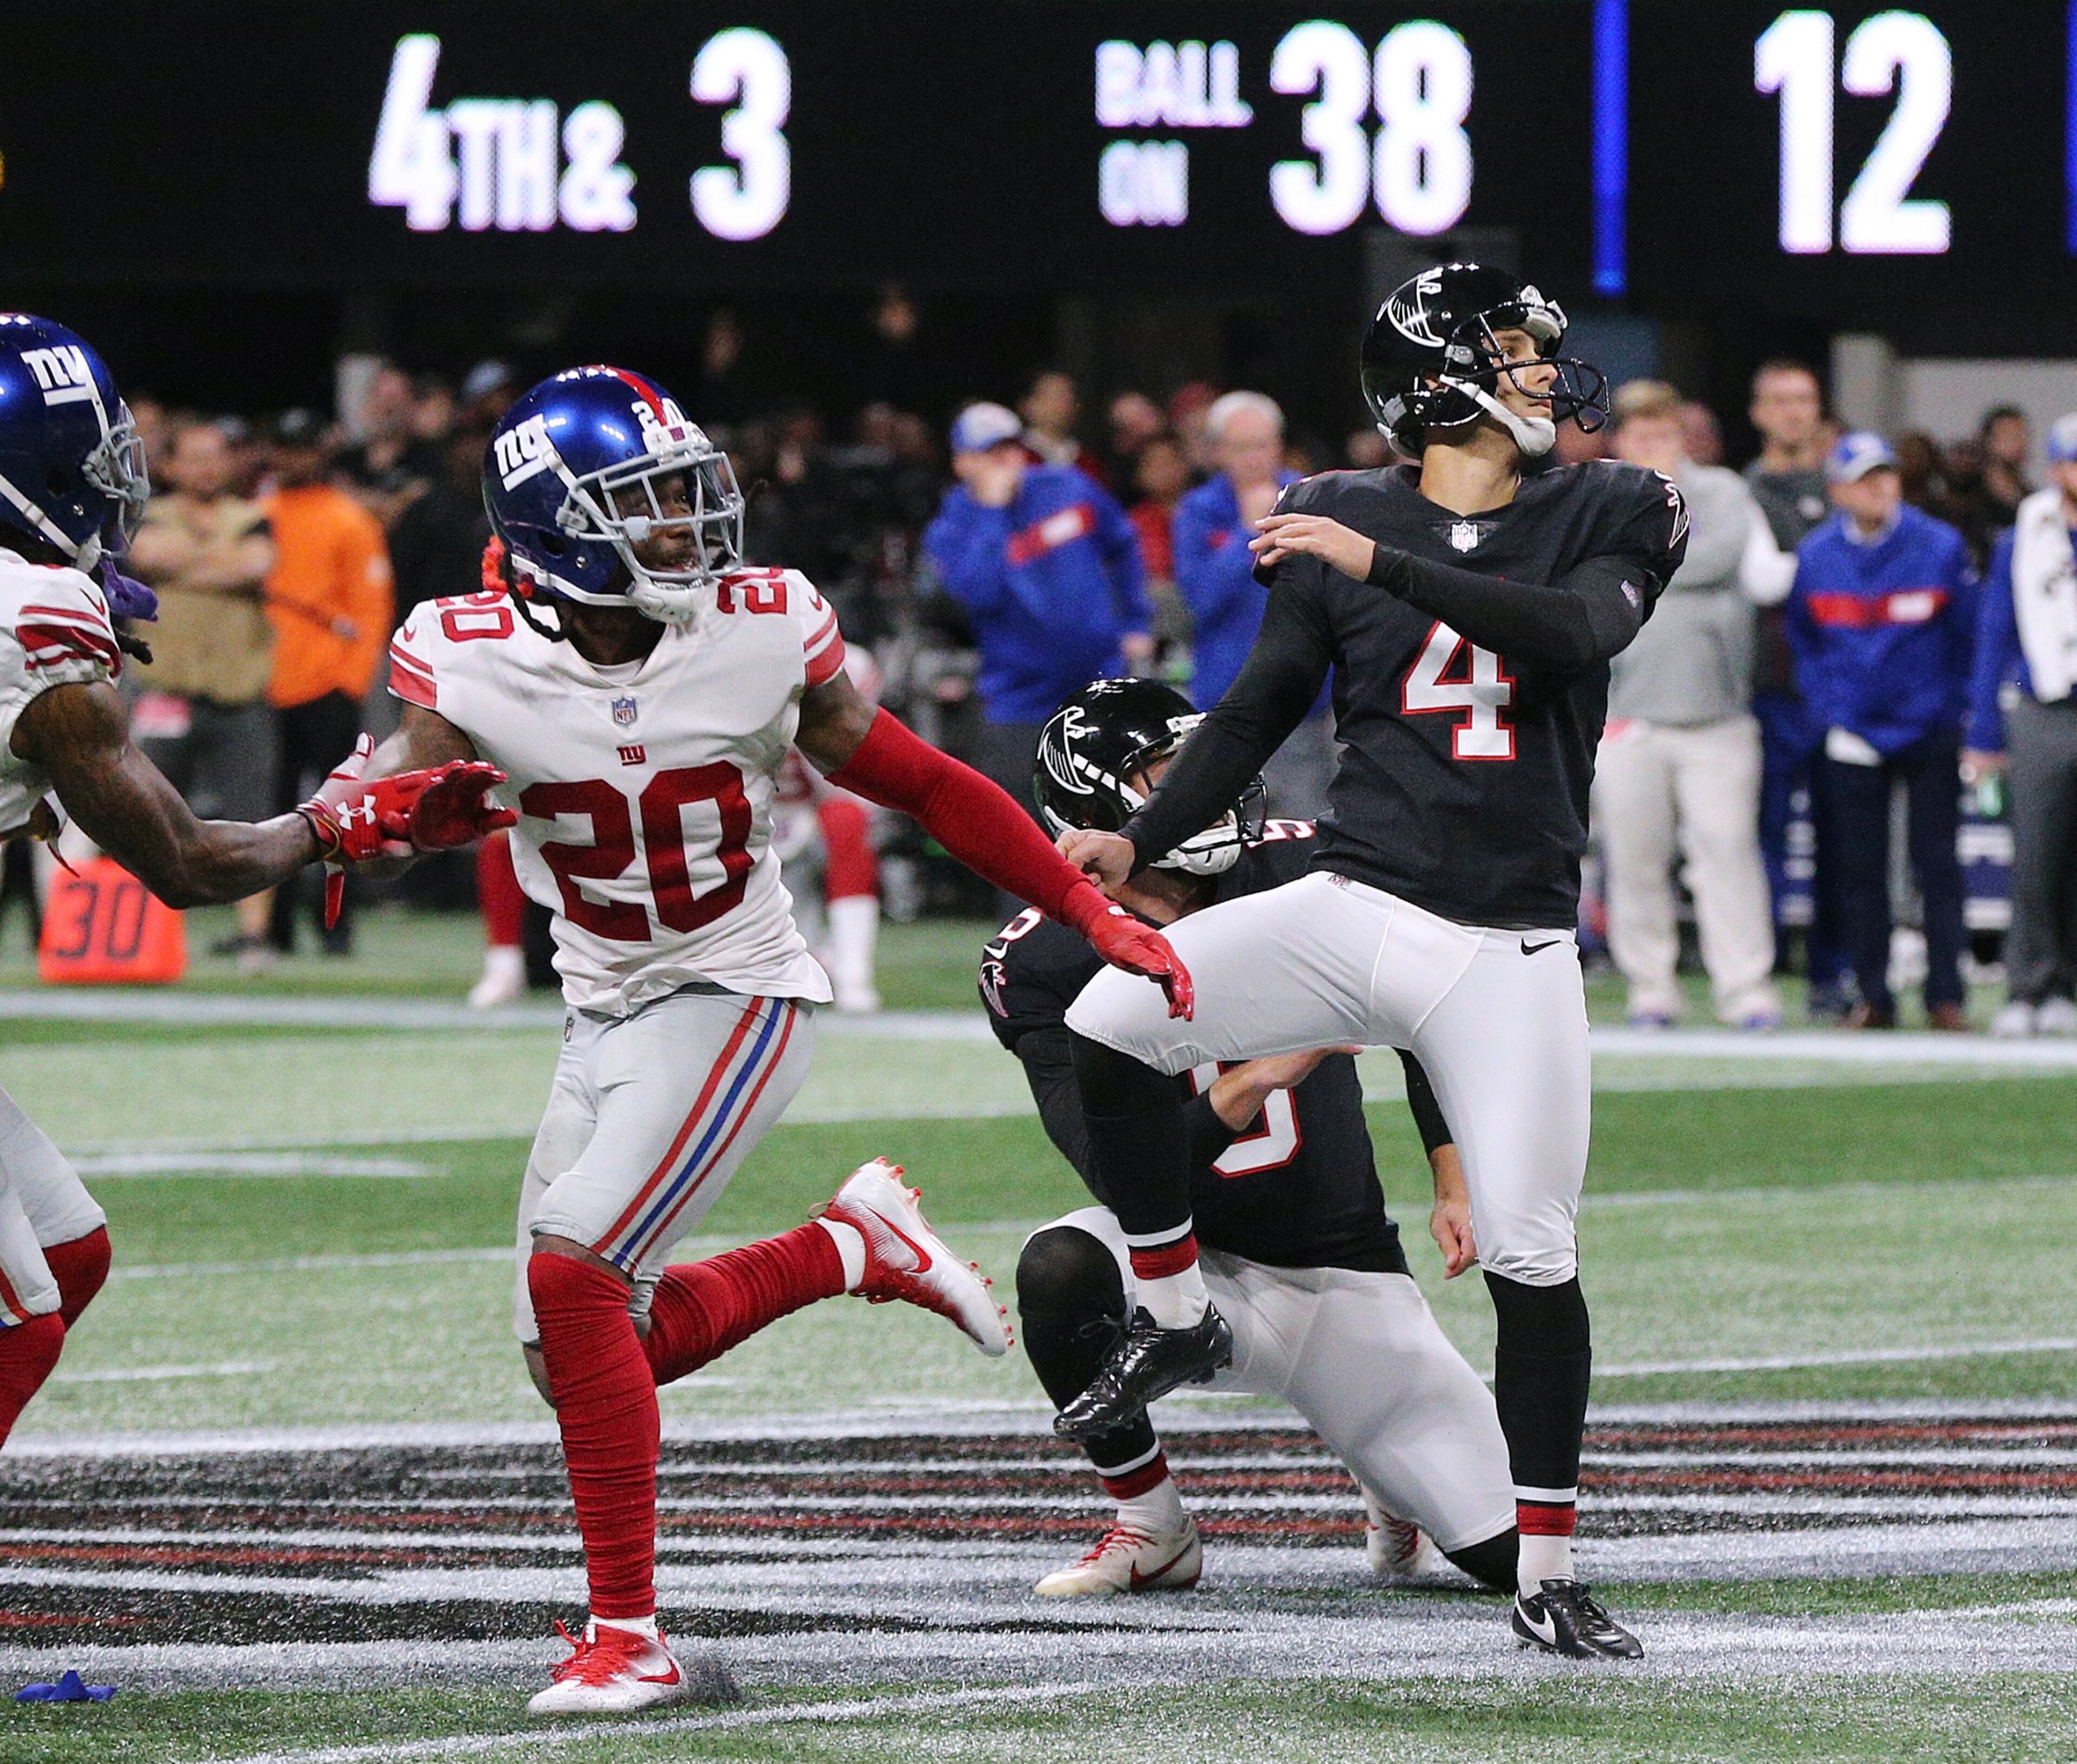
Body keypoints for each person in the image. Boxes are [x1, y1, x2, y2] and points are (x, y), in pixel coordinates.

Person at [366, 366, 1190, 1715]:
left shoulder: (760, 626)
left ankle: (626, 1635)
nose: (690, 526)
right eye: (646, 505)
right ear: (558, 529)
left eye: (688, 494)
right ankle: (845, 1247)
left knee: (578, 1283)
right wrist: (395, 821)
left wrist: (1081, 903)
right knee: (567, 1353)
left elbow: (921, 781)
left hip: (735, 987)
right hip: (601, 1001)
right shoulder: (460, 648)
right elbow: (385, 801)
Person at [1050, 264, 1688, 1661]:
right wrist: (1138, 837)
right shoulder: (1343, 510)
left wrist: (1379, 563)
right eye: (1516, 354)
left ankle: (1551, 1571)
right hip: (1358, 901)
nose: (1543, 374)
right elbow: (1260, 705)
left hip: (1504, 941)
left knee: (1533, 1248)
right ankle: (1174, 1309)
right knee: (1113, 1010)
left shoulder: (1614, 503)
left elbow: (1575, 633)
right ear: (1441, 377)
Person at [0, 314, 505, 1448]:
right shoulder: (31, 615)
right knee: (18, 1317)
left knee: (67, 1250)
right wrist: (334, 825)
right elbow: (184, 863)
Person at [991, 679, 1518, 1599]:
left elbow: (1436, 1004)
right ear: (1092, 802)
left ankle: (1389, 1474)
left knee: (1513, 1562)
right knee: (1059, 1265)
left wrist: (1453, 1174)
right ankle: (1152, 1525)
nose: (1210, 784)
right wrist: (1257, 1075)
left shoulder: (1311, 867)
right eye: (1169, 774)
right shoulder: (1040, 957)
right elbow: (1121, 1169)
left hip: (1340, 1272)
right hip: (1177, 1279)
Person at [1596, 382, 1791, 1029]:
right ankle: (1651, 987)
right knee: (1635, 858)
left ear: (1683, 436)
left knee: (1727, 852)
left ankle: (1746, 989)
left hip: (1718, 716)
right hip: (1629, 714)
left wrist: (1637, 564)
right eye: (1640, 434)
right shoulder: (1599, 497)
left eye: (1664, 433)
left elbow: (1713, 557)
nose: (1653, 445)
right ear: (1621, 440)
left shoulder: (1724, 493)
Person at [1787, 433, 1976, 1030]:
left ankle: (1947, 995)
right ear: (1839, 489)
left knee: (1938, 866)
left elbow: (1966, 638)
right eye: (1866, 478)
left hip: (1929, 729)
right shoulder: (1817, 556)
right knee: (1857, 871)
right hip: (1852, 732)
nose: (1881, 487)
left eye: (1887, 475)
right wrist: (1832, 710)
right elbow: (1804, 642)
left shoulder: (1940, 545)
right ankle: (1873, 994)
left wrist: (1950, 710)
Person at [923, 400, 1151, 847]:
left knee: (1116, 822)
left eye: (1011, 449)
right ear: (962, 462)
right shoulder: (953, 526)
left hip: (1099, 683)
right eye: (991, 453)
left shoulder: (1068, 487)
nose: (1007, 462)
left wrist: (1136, 621)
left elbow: (1123, 544)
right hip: (1019, 699)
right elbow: (979, 594)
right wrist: (992, 512)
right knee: (1024, 839)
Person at [125, 419, 281, 971]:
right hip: (165, 689)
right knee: (140, 814)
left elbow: (257, 564)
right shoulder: (151, 513)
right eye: (194, 457)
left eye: (215, 456)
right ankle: (138, 932)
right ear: (171, 466)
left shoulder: (254, 516)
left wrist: (184, 565)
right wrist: (222, 562)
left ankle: (254, 937)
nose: (205, 468)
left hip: (239, 692)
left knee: (254, 818)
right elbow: (148, 556)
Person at [261, 408, 394, 954]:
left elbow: (372, 606)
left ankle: (336, 927)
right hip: (267, 683)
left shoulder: (347, 518)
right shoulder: (264, 512)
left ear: (322, 452)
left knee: (336, 815)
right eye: (288, 449)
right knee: (270, 814)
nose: (296, 459)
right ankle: (273, 929)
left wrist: (351, 681)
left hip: (327, 686)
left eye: (304, 449)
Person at [1742, 360, 1848, 1014]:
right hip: (1769, 685)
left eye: (1804, 399)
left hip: (1837, 689)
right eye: (1778, 400)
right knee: (1765, 837)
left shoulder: (1848, 484)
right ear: (1756, 412)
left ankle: (1831, 974)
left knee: (1840, 840)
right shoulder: (1741, 490)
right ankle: (1767, 964)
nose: (1792, 412)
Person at [1172, 392, 1334, 818]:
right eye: (1242, 448)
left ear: (1278, 445)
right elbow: (1200, 601)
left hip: (1304, 706)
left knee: (1305, 833)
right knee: (1228, 842)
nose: (1255, 458)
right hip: (1226, 708)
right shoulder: (1196, 510)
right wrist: (1249, 531)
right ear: (1219, 452)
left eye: (1263, 445)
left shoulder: (1313, 499)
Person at [1967, 413, 2077, 1038]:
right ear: (2059, 469)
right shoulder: (2025, 536)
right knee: (2036, 854)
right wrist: (1985, 733)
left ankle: (2066, 983)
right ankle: (2031, 983)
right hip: (2044, 707)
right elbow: (1994, 636)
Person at [334, 361, 441, 530]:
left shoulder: (428, 460)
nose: (385, 408)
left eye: (394, 399)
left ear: (411, 406)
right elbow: (331, 502)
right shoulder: (344, 460)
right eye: (379, 396)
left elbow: (415, 506)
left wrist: (356, 499)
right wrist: (395, 500)